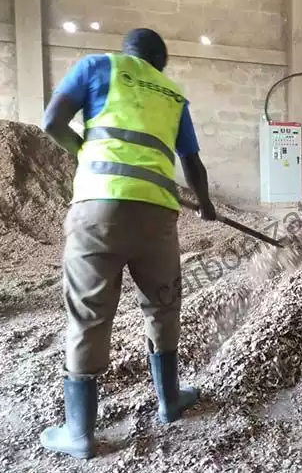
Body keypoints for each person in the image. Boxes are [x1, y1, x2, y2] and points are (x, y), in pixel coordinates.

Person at [40, 28, 217, 459]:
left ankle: (80, 434)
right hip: (156, 214)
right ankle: (169, 402)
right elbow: (192, 162)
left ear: (130, 52)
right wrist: (207, 204)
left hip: (99, 208)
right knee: (163, 304)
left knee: (89, 314)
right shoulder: (172, 94)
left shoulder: (98, 67)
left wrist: (83, 150)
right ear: (161, 61)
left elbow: (51, 122)